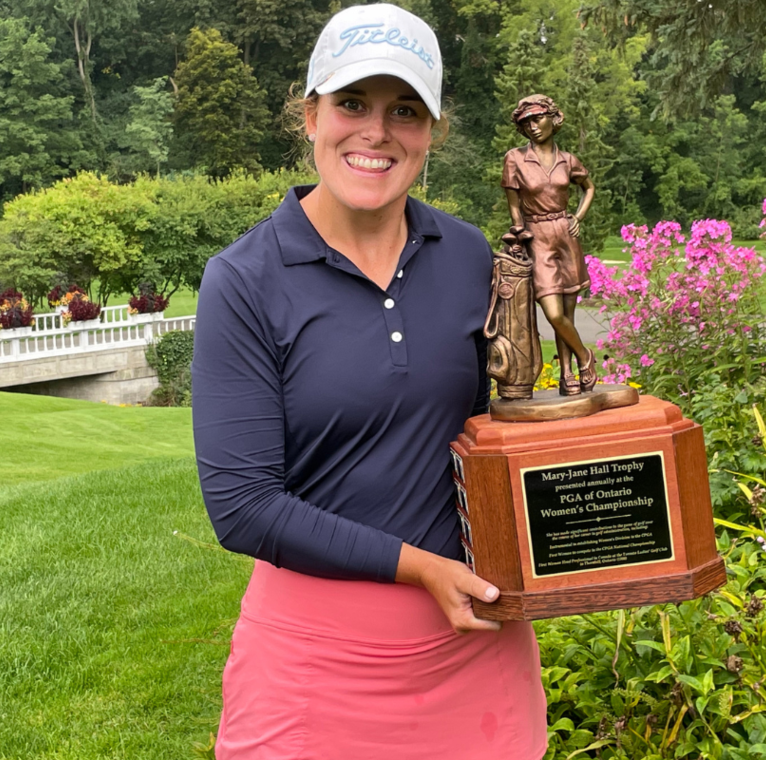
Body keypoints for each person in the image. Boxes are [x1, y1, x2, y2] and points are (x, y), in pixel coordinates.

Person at [191, 4, 547, 759]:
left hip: (475, 654)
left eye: (405, 110)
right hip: (311, 670)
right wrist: (419, 568)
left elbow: (490, 434)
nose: (376, 132)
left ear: (434, 131)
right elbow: (242, 507)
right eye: (352, 102)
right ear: (310, 114)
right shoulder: (244, 280)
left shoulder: (468, 254)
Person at [502, 95, 597, 395]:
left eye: (538, 118)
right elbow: (514, 206)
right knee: (553, 312)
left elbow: (589, 187)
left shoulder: (568, 160)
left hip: (566, 236)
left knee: (566, 314)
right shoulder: (515, 159)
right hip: (537, 235)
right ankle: (585, 356)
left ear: (553, 119)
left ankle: (567, 374)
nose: (533, 126)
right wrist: (518, 233)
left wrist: (579, 217)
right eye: (526, 122)